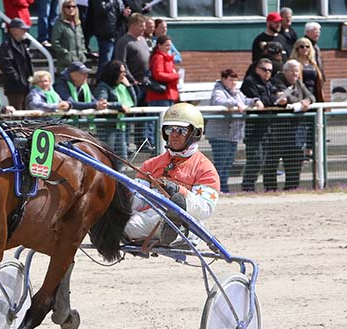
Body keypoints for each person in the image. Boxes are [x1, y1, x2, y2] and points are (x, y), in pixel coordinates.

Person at [124, 103, 220, 245]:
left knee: (129, 225)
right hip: (149, 218)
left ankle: (173, 229)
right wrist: (122, 194)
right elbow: (137, 201)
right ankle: (167, 231)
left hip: (186, 220)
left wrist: (178, 192)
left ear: (195, 133)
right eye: (170, 129)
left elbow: (205, 208)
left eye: (181, 130)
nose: (174, 134)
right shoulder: (150, 164)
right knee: (118, 219)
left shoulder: (205, 169)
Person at [208, 69, 263, 193]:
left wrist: (256, 101)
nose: (233, 82)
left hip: (233, 135)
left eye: (235, 80)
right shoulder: (218, 90)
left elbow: (246, 100)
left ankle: (224, 188)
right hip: (219, 135)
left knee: (227, 164)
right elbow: (219, 101)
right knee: (220, 164)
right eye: (230, 79)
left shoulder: (237, 92)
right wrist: (235, 103)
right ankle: (215, 190)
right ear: (223, 79)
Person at [265, 60, 315, 191]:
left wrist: (307, 100)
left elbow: (311, 96)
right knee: (271, 163)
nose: (295, 74)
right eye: (292, 70)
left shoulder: (298, 82)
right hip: (277, 131)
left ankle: (291, 189)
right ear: (285, 70)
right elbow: (283, 99)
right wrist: (300, 102)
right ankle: (271, 190)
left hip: (296, 132)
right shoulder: (277, 81)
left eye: (297, 71)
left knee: (294, 163)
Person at [239, 58, 279, 192]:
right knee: (256, 160)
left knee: (270, 160)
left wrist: (276, 99)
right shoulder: (250, 82)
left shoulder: (270, 83)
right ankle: (248, 187)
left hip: (269, 128)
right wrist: (273, 100)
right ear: (257, 69)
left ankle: (270, 188)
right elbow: (259, 99)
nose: (268, 73)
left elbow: (273, 98)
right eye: (265, 69)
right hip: (254, 129)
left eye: (270, 70)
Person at [94, 60, 137, 163]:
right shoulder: (103, 86)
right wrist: (119, 106)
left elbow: (134, 102)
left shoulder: (121, 86)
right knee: (108, 158)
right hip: (108, 128)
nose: (124, 74)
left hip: (120, 127)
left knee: (122, 159)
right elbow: (102, 103)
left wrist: (129, 86)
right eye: (122, 72)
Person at [113, 13, 150, 106]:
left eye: (144, 26)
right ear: (132, 25)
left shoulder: (143, 40)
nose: (144, 29)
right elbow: (121, 62)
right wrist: (132, 79)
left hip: (146, 83)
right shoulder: (124, 42)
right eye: (141, 26)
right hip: (133, 84)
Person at [86, 0, 130, 77]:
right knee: (105, 61)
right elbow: (102, 10)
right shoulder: (98, 2)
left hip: (118, 34)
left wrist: (125, 14)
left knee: (116, 62)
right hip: (106, 34)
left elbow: (120, 17)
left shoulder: (120, 1)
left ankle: (112, 81)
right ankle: (101, 82)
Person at [0, 18, 34, 110]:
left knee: (26, 112)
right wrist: (17, 79)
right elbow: (5, 65)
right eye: (23, 29)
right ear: (14, 30)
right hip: (14, 88)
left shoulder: (24, 44)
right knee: (17, 113)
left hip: (26, 86)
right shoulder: (6, 46)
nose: (25, 31)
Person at [50, 0, 87, 74]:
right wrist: (65, 53)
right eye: (68, 7)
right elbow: (55, 41)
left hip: (80, 61)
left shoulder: (78, 23)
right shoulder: (59, 23)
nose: (71, 9)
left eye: (73, 7)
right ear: (63, 9)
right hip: (66, 64)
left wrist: (83, 51)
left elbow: (82, 39)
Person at [146, 35, 179, 107]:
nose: (169, 48)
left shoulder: (167, 58)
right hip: (160, 96)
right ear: (159, 45)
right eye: (167, 45)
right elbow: (158, 74)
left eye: (170, 45)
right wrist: (175, 76)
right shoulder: (159, 57)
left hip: (167, 95)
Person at [290, 37, 324, 102]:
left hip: (314, 92)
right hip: (301, 94)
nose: (304, 48)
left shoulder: (313, 63)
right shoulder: (293, 63)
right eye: (302, 46)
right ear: (297, 49)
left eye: (307, 46)